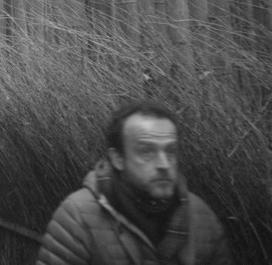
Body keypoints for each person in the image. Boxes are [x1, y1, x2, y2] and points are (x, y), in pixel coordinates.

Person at [36, 100, 232, 265]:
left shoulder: (202, 218)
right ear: (118, 159)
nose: (164, 164)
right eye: (146, 151)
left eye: (170, 151)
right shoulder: (77, 216)